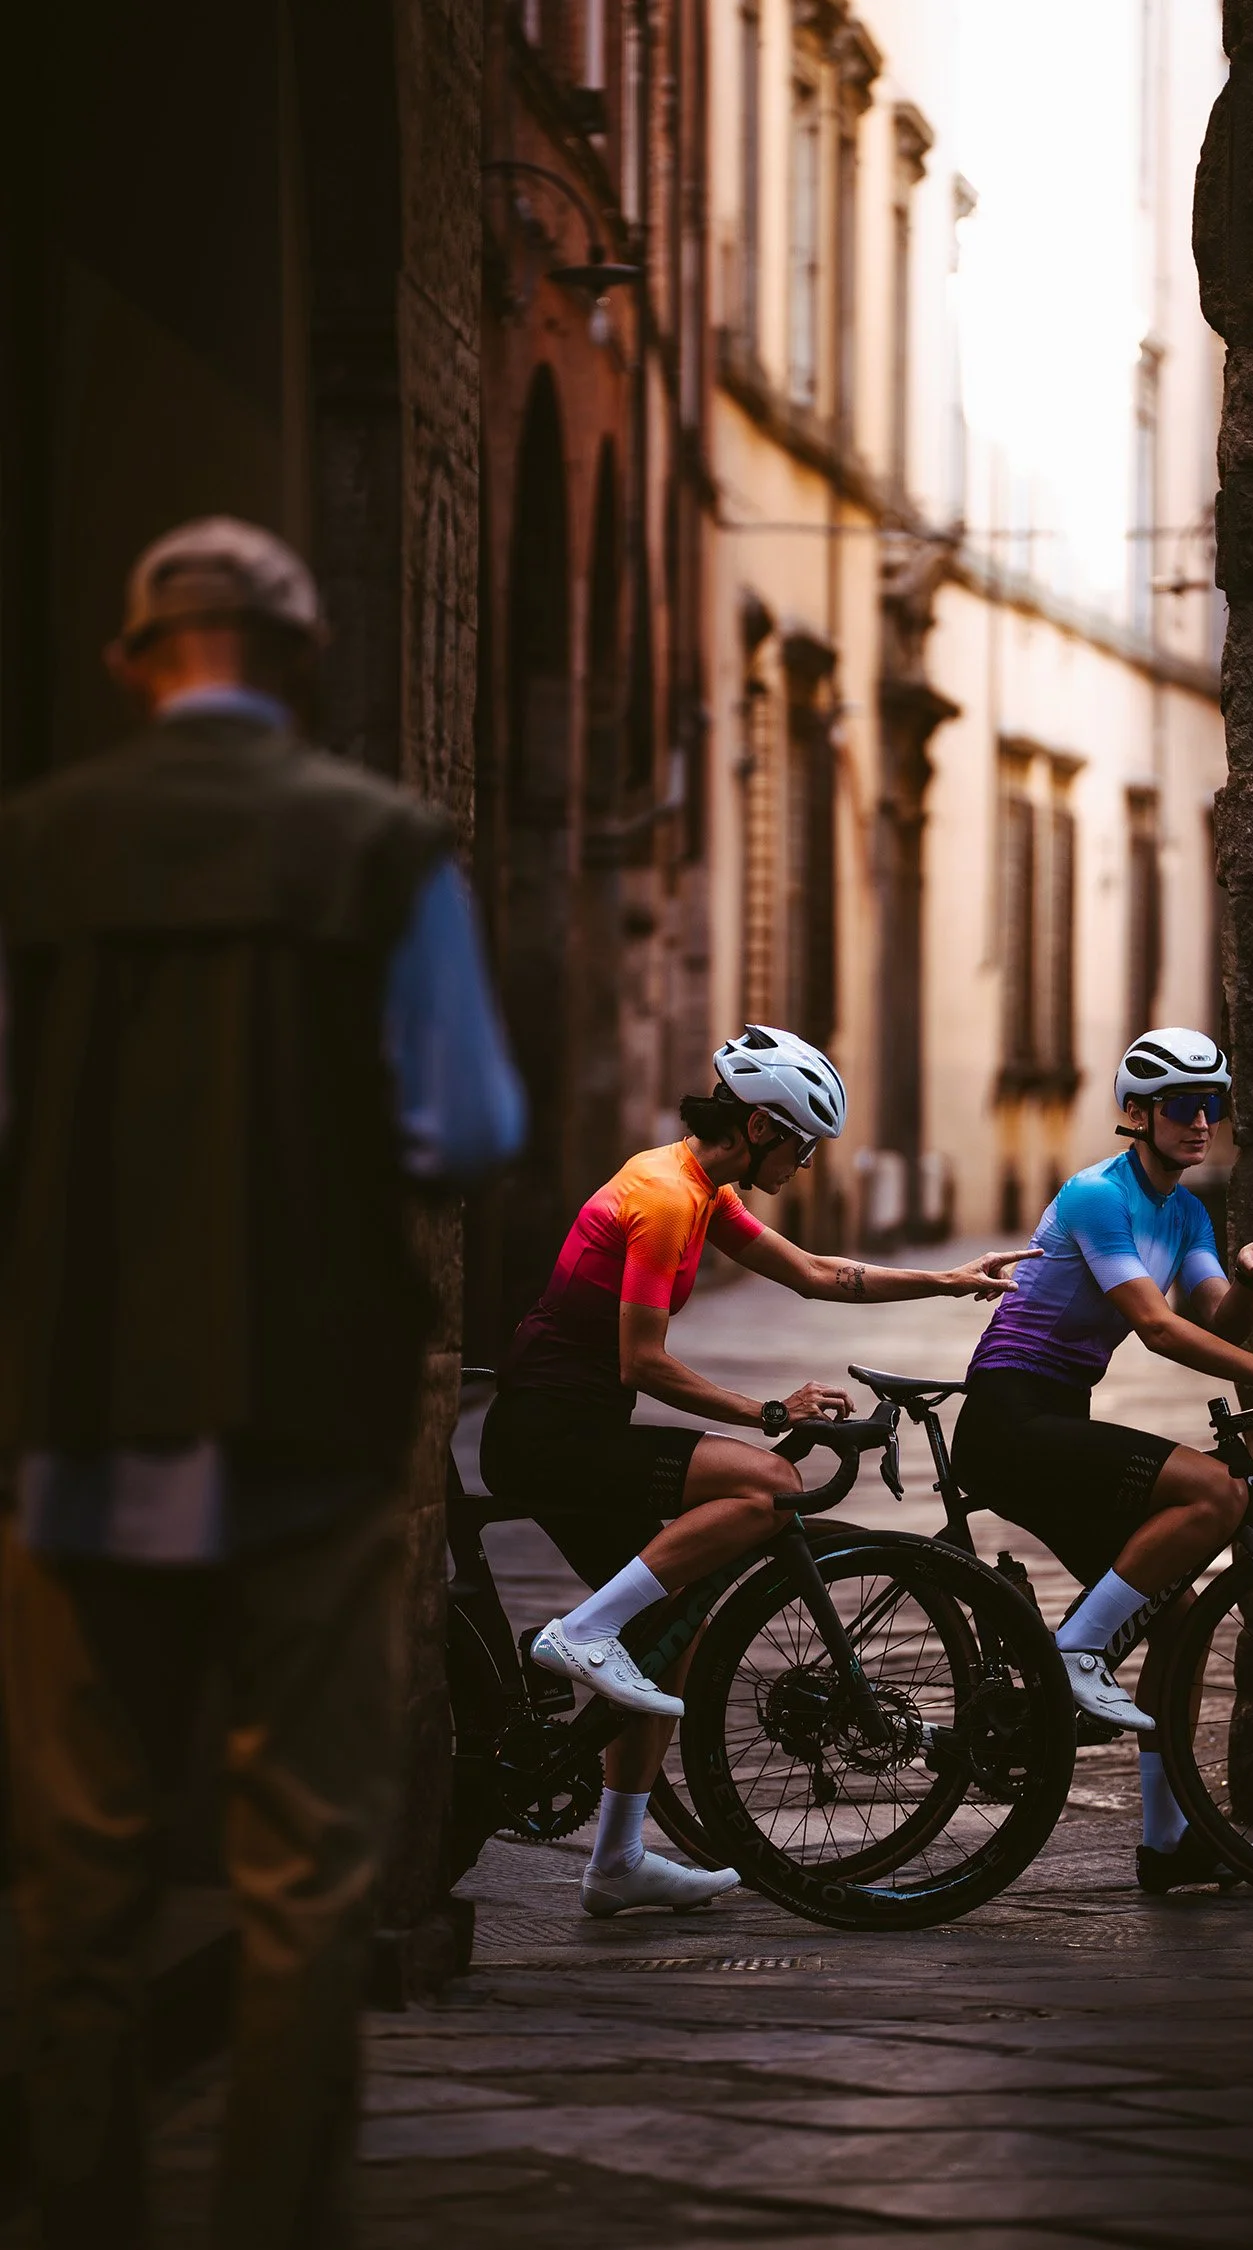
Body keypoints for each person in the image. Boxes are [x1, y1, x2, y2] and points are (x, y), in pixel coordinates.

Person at [0, 517, 526, 2250]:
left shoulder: (40, 848)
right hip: (311, 1406)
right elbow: (469, 1125)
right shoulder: (382, 850)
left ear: (132, 661)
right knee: (304, 1869)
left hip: (80, 1418)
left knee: (79, 1870)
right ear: (301, 664)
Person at [480, 1024, 1032, 1918]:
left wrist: (948, 1280)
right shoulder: (666, 1198)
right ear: (762, 1128)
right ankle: (581, 1631)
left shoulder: (701, 1189)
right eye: (803, 1145)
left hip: (572, 1427)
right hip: (550, 1434)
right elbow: (641, 1363)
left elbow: (815, 1273)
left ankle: (616, 1861)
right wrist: (771, 1414)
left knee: (672, 1635)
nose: (806, 1164)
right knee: (770, 1483)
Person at [950, 1026, 1253, 1895]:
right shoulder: (1095, 1196)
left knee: (1176, 1619)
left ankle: (1170, 1843)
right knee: (1215, 1491)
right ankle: (1077, 1652)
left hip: (1058, 1419)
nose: (1203, 1120)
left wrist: (1246, 1280)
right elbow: (1155, 1327)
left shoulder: (1184, 1213)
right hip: (1010, 1417)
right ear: (1138, 1114)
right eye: (1184, 1104)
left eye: (1214, 1103)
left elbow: (1214, 1319)